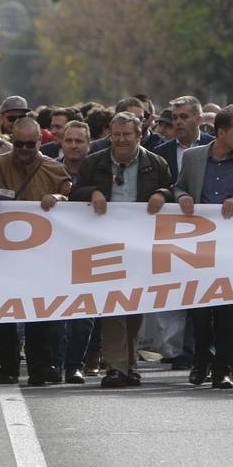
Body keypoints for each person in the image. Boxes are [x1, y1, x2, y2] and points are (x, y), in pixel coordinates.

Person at [73, 111, 174, 388]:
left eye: (127, 134)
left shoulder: (156, 163)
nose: (121, 139)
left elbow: (173, 190)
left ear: (139, 135)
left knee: (136, 304)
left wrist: (162, 194)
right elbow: (75, 193)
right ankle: (115, 366)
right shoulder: (94, 162)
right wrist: (92, 192)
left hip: (142, 245)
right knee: (113, 303)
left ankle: (130, 364)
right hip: (105, 242)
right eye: (116, 134)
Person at [174, 108, 233, 389]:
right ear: (220, 132)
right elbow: (177, 188)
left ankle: (223, 368)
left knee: (229, 312)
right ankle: (200, 364)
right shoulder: (192, 157)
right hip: (198, 247)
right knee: (200, 313)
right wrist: (183, 196)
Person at [0, 118, 72, 386]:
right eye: (18, 144)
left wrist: (60, 199)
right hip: (3, 254)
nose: (24, 149)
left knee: (40, 314)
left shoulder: (54, 169)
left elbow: (73, 204)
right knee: (5, 314)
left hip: (42, 255)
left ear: (41, 141)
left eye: (30, 143)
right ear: (11, 140)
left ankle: (41, 366)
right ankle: (8, 367)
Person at [151, 96, 214, 182]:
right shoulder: (160, 152)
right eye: (174, 118)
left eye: (183, 117)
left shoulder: (214, 145)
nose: (178, 122)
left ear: (198, 120)